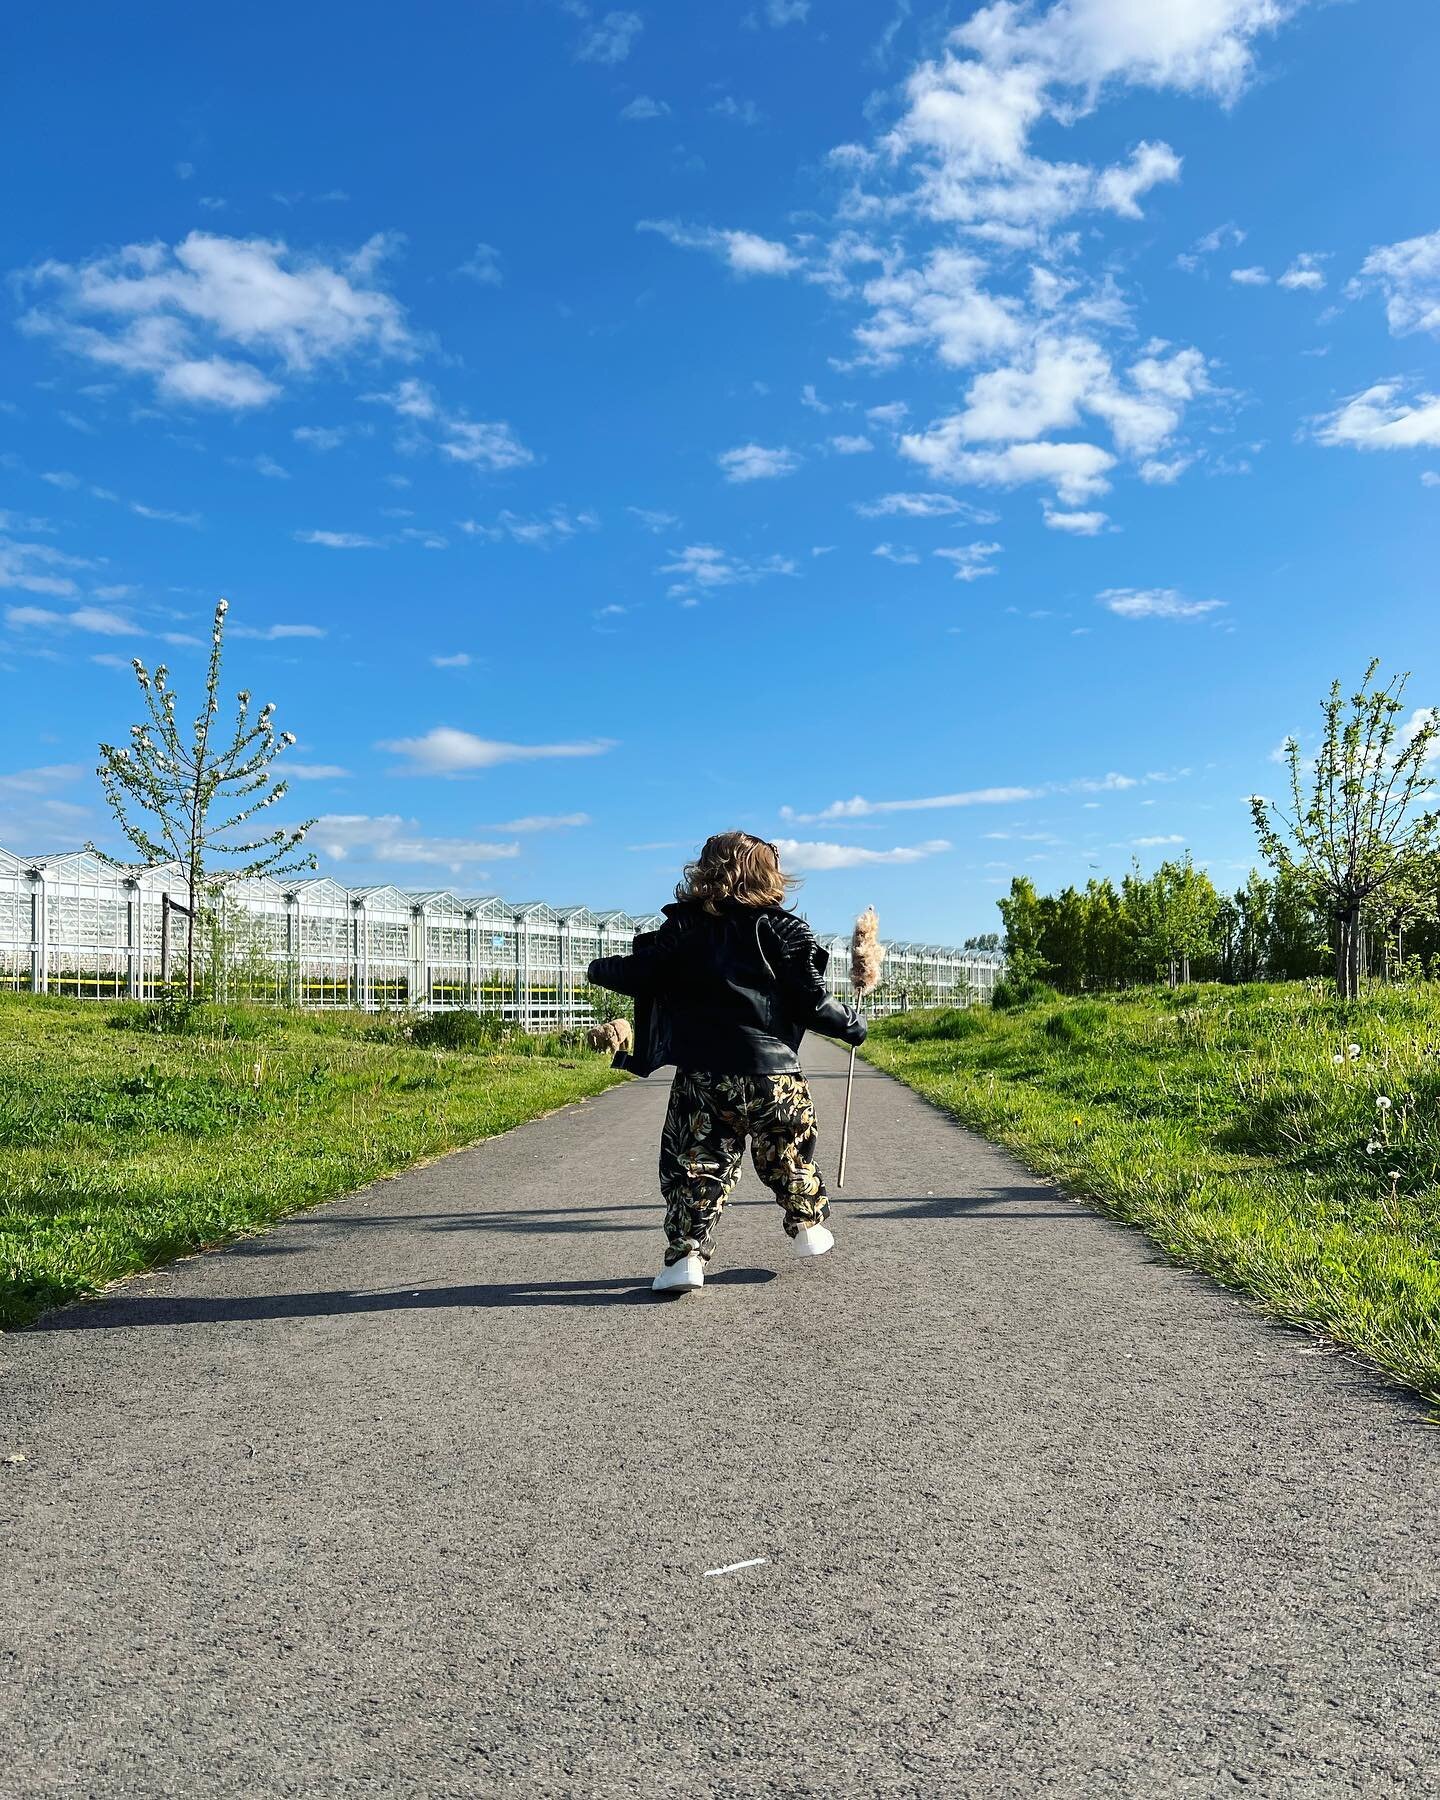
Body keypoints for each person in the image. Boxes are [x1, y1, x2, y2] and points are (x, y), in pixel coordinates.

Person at [586, 832, 867, 1295]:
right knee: (787, 1153)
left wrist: (598, 968)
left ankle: (686, 1256)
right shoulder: (783, 930)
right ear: (769, 875)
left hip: (703, 1076)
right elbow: (811, 1000)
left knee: (696, 1163)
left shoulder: (683, 929)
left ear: (705, 872)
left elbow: (642, 972)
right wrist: (851, 1026)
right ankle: (807, 1226)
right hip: (773, 1076)